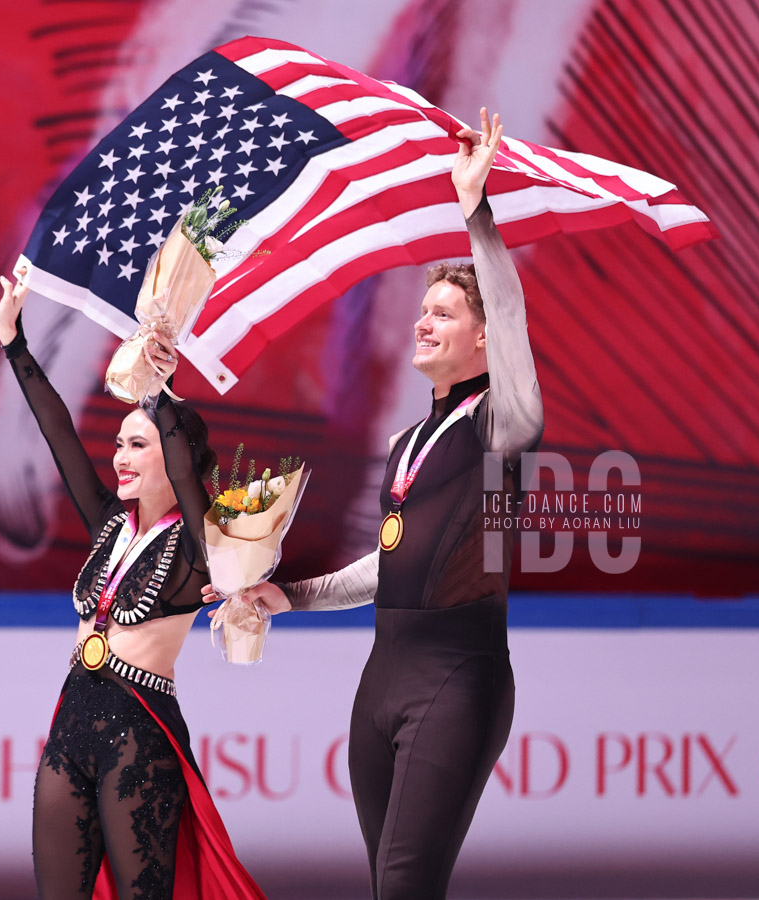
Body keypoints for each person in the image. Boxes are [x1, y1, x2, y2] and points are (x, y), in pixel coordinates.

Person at [208, 108, 545, 900]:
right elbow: (384, 567)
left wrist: (475, 211)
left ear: (482, 336)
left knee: (401, 887)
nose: (421, 322)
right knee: (389, 887)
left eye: (443, 313)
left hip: (457, 677)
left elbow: (513, 313)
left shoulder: (504, 423)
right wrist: (282, 595)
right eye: (421, 310)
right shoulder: (406, 442)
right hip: (381, 678)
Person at [0, 271, 266, 900]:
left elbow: (178, 448)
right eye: (118, 442)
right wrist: (15, 345)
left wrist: (159, 385)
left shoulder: (205, 545)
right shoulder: (108, 526)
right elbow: (60, 437)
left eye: (135, 445)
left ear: (176, 461)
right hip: (70, 727)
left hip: (139, 737)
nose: (118, 454)